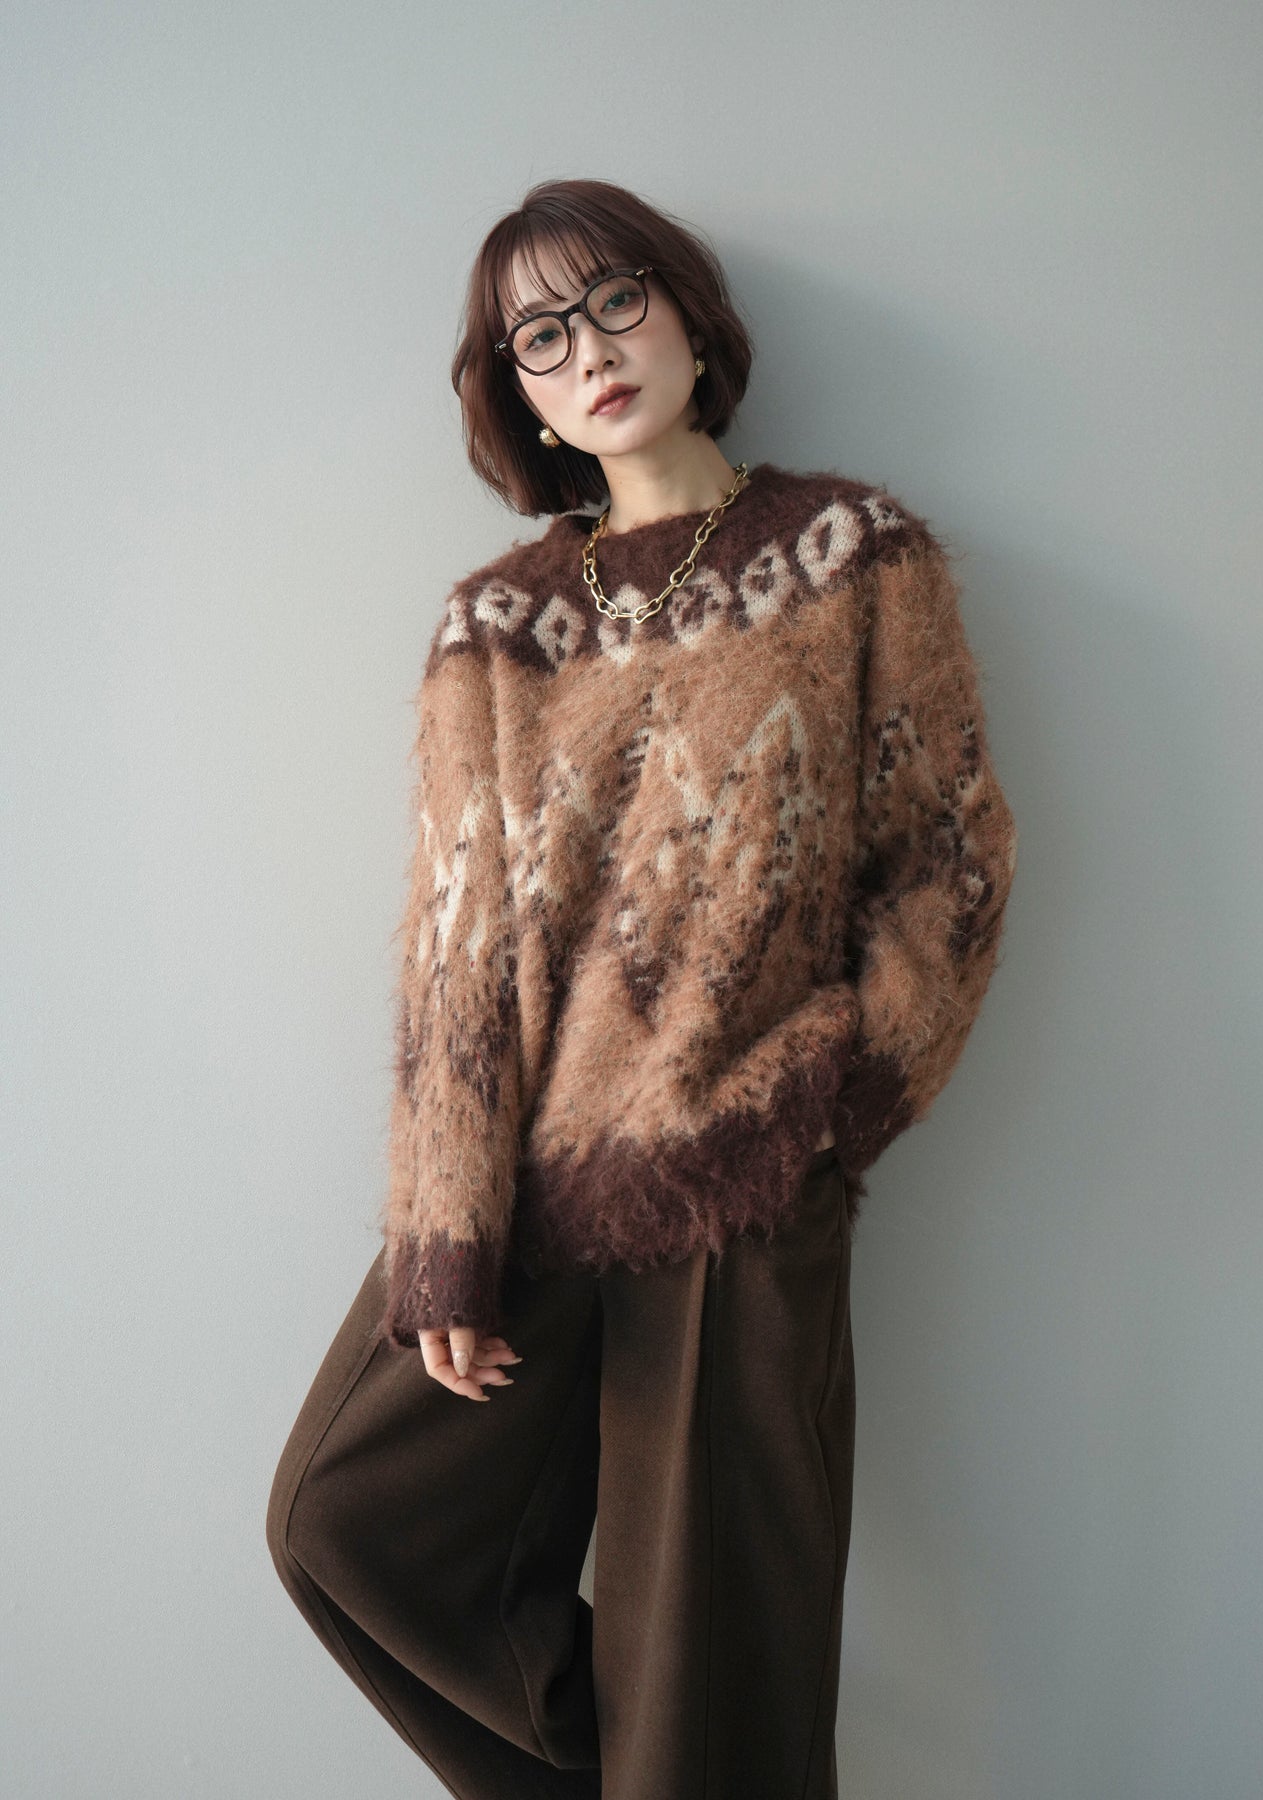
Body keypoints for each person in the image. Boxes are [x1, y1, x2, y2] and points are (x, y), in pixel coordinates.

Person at [266, 176, 1018, 1800]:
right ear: (515, 392)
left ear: (688, 318)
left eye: (616, 302)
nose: (590, 352)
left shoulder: (846, 554)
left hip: (743, 1182)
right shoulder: (497, 625)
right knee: (340, 1527)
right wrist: (445, 1233)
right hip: (532, 1193)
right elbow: (458, 954)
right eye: (539, 336)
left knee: (709, 1674)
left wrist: (822, 1109)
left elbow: (948, 863)